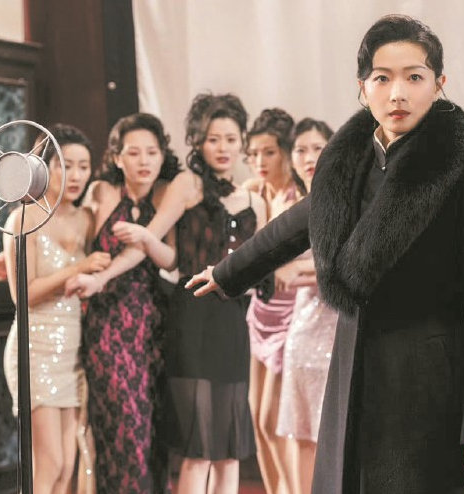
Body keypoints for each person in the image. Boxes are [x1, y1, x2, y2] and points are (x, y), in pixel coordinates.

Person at [187, 14, 464, 493]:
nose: (397, 94)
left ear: (439, 84)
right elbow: (296, 225)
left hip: (431, 385)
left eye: (414, 77)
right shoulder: (346, 167)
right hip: (353, 368)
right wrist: (229, 272)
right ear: (363, 88)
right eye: (382, 79)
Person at [103, 93, 268, 494]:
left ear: (242, 142)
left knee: (229, 451)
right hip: (192, 321)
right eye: (213, 139)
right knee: (199, 449)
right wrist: (105, 273)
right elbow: (163, 250)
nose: (223, 147)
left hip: (232, 324)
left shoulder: (256, 202)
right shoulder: (187, 184)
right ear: (198, 142)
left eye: (231, 139)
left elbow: (263, 270)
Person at [69, 113, 179, 493]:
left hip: (153, 326)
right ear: (117, 158)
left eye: (152, 152)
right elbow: (72, 238)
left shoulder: (166, 194)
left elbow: (172, 260)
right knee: (121, 428)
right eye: (134, 153)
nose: (144, 161)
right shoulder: (102, 192)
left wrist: (146, 238)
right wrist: (12, 258)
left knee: (151, 431)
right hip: (106, 325)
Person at [0, 124, 110, 494]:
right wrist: (80, 267)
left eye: (83, 166)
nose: (75, 175)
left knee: (68, 466)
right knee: (49, 463)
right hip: (34, 350)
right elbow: (24, 295)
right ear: (43, 167)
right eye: (65, 165)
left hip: (70, 353)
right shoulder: (23, 219)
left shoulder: (86, 219)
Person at [274, 117, 337, 494]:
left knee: (335, 433)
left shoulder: (348, 200)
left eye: (318, 148)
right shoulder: (287, 204)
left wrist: (301, 270)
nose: (309, 157)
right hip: (301, 332)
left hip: (339, 331)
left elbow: (346, 264)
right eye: (301, 149)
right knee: (300, 432)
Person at [243, 108, 300, 494]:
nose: (260, 161)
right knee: (256, 418)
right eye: (253, 154)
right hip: (260, 310)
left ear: (285, 152)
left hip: (291, 313)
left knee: (272, 419)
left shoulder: (300, 195)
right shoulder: (253, 191)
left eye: (269, 152)